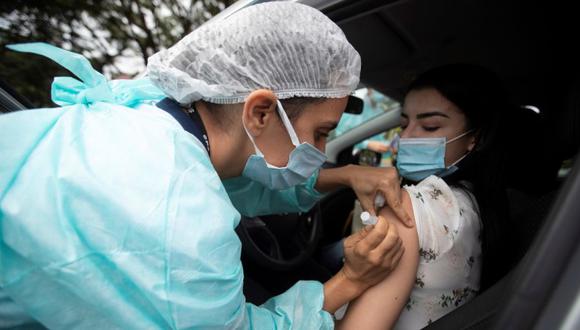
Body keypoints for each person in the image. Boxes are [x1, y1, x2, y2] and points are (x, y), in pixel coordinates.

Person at [0, 2, 414, 329]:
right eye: (321, 133)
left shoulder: (157, 127)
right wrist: (351, 281)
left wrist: (344, 175)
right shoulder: (176, 215)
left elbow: (248, 184)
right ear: (261, 112)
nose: (322, 150)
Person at [337, 63, 512, 329]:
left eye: (429, 127)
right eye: (404, 123)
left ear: (474, 138)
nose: (405, 138)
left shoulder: (413, 205)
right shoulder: (477, 204)